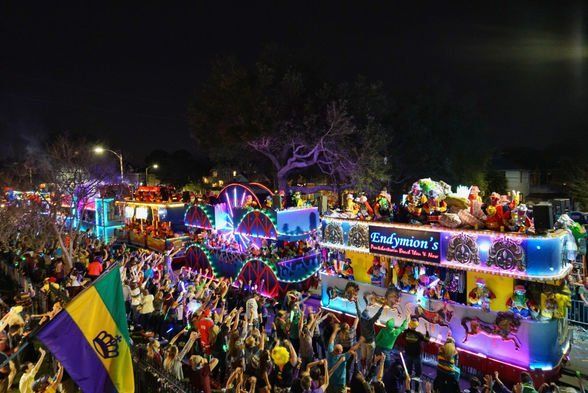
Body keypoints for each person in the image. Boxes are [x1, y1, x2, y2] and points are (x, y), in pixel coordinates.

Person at [326, 323, 362, 393]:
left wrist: (335, 330)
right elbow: (352, 349)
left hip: (331, 381)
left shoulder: (330, 353)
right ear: (340, 351)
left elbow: (331, 339)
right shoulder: (343, 357)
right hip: (340, 383)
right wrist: (360, 341)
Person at [355, 299, 385, 373]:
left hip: (363, 343)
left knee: (363, 357)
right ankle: (368, 370)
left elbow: (358, 311)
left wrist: (356, 302)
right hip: (370, 343)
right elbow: (377, 315)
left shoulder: (361, 320)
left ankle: (363, 369)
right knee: (369, 358)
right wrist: (382, 307)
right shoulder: (370, 321)